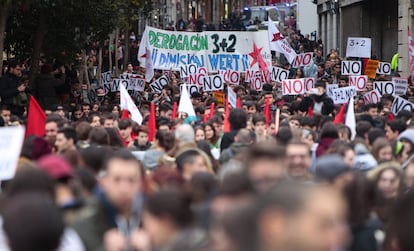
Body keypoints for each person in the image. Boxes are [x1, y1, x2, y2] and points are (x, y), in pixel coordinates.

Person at [73, 149, 145, 251]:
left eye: (131, 180)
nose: (124, 188)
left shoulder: (154, 222)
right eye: (117, 179)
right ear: (104, 182)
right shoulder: (84, 223)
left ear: (140, 184)